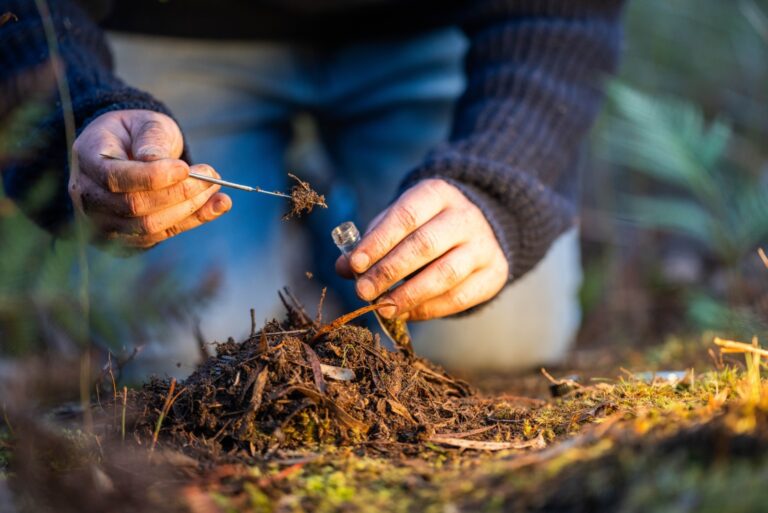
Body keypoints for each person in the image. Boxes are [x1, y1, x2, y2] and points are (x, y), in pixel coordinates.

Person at [0, 0, 624, 372]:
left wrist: (502, 176)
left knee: (492, 339)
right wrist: (76, 112)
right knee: (175, 351)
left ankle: (326, 218)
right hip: (166, 29)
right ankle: (291, 214)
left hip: (433, 29)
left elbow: (565, 15)